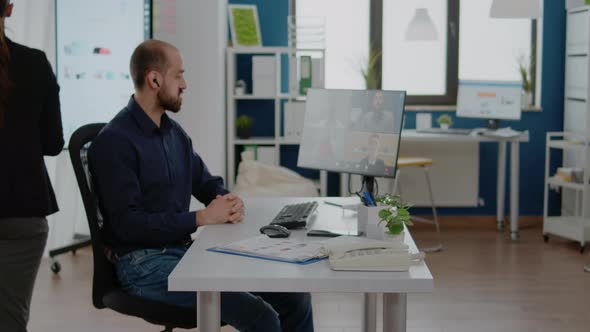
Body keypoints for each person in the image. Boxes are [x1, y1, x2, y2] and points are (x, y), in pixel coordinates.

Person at [88, 40, 314, 332]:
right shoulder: (114, 141)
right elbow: (127, 226)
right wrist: (201, 218)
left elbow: (205, 182)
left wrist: (227, 200)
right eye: (178, 75)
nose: (185, 84)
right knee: (260, 316)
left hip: (181, 253)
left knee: (294, 297)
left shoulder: (173, 133)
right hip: (143, 267)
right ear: (154, 79)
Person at [0, 1, 64, 331]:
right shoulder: (35, 63)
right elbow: (53, 143)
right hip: (24, 210)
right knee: (10, 318)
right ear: (9, 9)